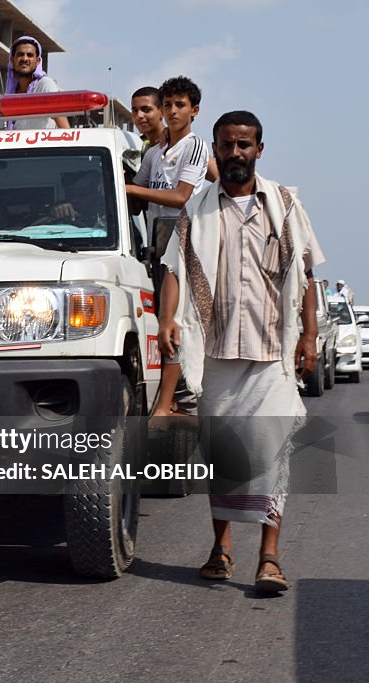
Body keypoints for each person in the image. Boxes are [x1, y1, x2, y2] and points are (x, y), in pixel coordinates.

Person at [159, 111, 324, 593]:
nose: (235, 153)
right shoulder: (198, 210)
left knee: (272, 452)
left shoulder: (287, 206)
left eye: (244, 145)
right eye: (227, 146)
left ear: (259, 148)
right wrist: (168, 318)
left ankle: (269, 557)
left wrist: (309, 337)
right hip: (214, 356)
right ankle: (221, 548)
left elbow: (307, 275)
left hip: (272, 352)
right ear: (215, 149)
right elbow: (173, 271)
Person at [127, 76, 212, 419]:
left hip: (184, 249)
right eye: (168, 105)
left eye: (180, 105)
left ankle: (173, 404)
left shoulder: (194, 147)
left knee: (175, 323)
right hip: (158, 251)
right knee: (163, 325)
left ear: (194, 111)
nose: (173, 111)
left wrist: (131, 191)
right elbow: (136, 194)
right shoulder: (155, 151)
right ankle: (172, 400)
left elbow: (179, 196)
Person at [5, 36, 70, 130]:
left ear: (37, 61)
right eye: (20, 54)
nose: (25, 59)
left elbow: (64, 128)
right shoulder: (9, 94)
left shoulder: (45, 84)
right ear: (12, 60)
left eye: (30, 55)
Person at [131, 86, 165, 151]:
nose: (139, 115)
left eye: (146, 109)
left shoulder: (174, 145)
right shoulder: (140, 146)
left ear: (162, 111)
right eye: (135, 110)